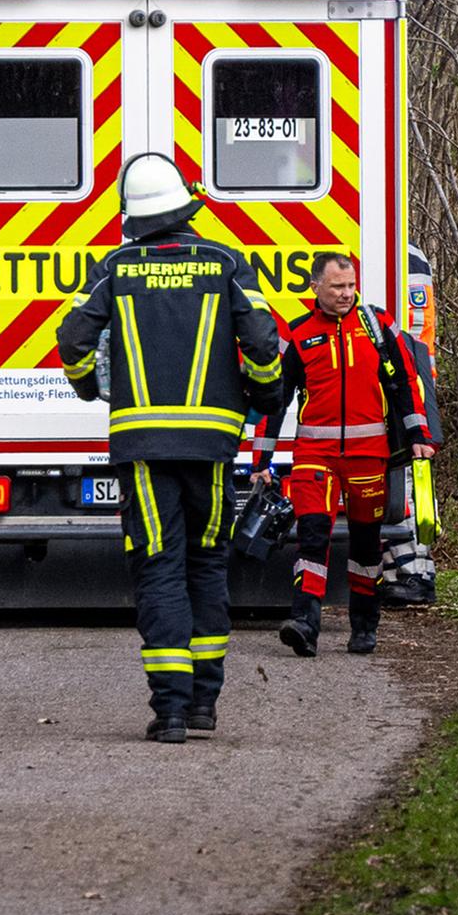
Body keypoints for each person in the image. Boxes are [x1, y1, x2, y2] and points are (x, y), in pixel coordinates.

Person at [55, 153, 282, 743]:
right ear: (185, 207)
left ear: (133, 216)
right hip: (212, 447)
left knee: (159, 567)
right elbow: (262, 345)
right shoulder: (227, 263)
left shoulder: (115, 267)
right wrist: (265, 393)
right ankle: (203, 704)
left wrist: (88, 387)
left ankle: (172, 711)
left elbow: (73, 340)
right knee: (207, 564)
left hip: (143, 448)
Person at [249, 253, 433, 657]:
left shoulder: (378, 326)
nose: (347, 294)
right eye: (337, 287)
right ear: (315, 287)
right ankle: (305, 623)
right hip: (314, 456)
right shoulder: (299, 334)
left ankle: (364, 626)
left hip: (369, 457)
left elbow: (406, 382)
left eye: (350, 286)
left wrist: (419, 433)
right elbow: (274, 401)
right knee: (313, 538)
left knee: (366, 546)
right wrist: (261, 462)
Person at [380, 245, 443, 606]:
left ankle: (414, 574)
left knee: (405, 484)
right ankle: (396, 575)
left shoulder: (407, 257)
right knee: (396, 483)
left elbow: (413, 330)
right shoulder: (407, 253)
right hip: (409, 384)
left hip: (407, 387)